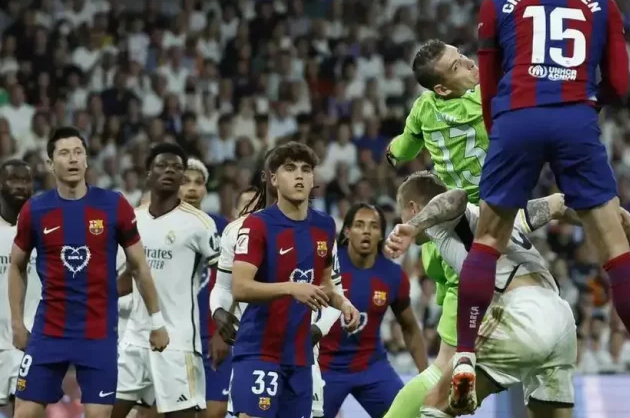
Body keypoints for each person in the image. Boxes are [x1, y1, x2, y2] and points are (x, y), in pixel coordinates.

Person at [450, 0, 630, 412]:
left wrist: (503, 129)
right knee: (614, 247)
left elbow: (489, 83)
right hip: (576, 117)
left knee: (488, 239)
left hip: (517, 118)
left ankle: (465, 355)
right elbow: (617, 80)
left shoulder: (498, 0)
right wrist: (587, 111)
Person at [384, 0, 579, 418]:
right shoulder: (485, 94)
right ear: (447, 87)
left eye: (462, 55)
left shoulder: (423, 110)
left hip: (462, 235)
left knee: (456, 365)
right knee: (443, 370)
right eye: (457, 64)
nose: (469, 62)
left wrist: (392, 156)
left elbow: (397, 151)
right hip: (476, 226)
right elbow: (525, 23)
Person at [386, 171, 580, 418]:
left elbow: (456, 198)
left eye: (402, 213)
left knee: (435, 403)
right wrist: (605, 220)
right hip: (561, 319)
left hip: (520, 313)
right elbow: (557, 204)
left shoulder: (442, 224)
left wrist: (412, 227)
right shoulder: (498, 218)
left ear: (413, 208)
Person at [7, 126, 168, 418]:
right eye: (64, 153)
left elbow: (139, 266)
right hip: (49, 332)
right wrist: (18, 323)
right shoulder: (35, 209)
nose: (72, 159)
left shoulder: (113, 205)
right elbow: (16, 265)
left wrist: (157, 321)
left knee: (98, 415)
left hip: (98, 333)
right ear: (49, 163)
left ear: (86, 160)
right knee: (24, 413)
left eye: (78, 152)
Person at [229, 141, 360, 418]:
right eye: (290, 169)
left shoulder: (324, 226)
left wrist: (343, 302)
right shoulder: (256, 224)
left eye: (306, 169)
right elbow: (240, 287)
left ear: (314, 179)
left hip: (300, 357)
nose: (299, 175)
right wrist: (291, 289)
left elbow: (324, 285)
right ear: (274, 179)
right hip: (259, 351)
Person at [113, 143, 220, 418]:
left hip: (178, 342)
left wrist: (224, 327)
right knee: (104, 412)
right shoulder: (132, 220)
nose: (169, 170)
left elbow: (226, 278)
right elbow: (125, 277)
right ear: (148, 174)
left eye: (176, 167)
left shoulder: (200, 224)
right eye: (162, 165)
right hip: (134, 338)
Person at [318, 204, 428, 418]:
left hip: (371, 367)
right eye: (359, 225)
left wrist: (427, 378)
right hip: (324, 368)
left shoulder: (392, 275)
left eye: (374, 226)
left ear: (381, 235)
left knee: (412, 415)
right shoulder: (326, 266)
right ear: (347, 231)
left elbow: (410, 328)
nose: (367, 231)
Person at [179, 158, 231, 418]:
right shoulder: (159, 226)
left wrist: (223, 332)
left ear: (206, 190)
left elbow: (232, 282)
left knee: (215, 410)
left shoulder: (222, 228)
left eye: (198, 182)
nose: (191, 188)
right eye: (185, 181)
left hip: (212, 332)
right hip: (175, 336)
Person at [0, 160, 36, 412]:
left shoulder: (43, 230)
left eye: (26, 180)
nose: (21, 186)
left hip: (24, 340)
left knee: (24, 409)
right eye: (14, 179)